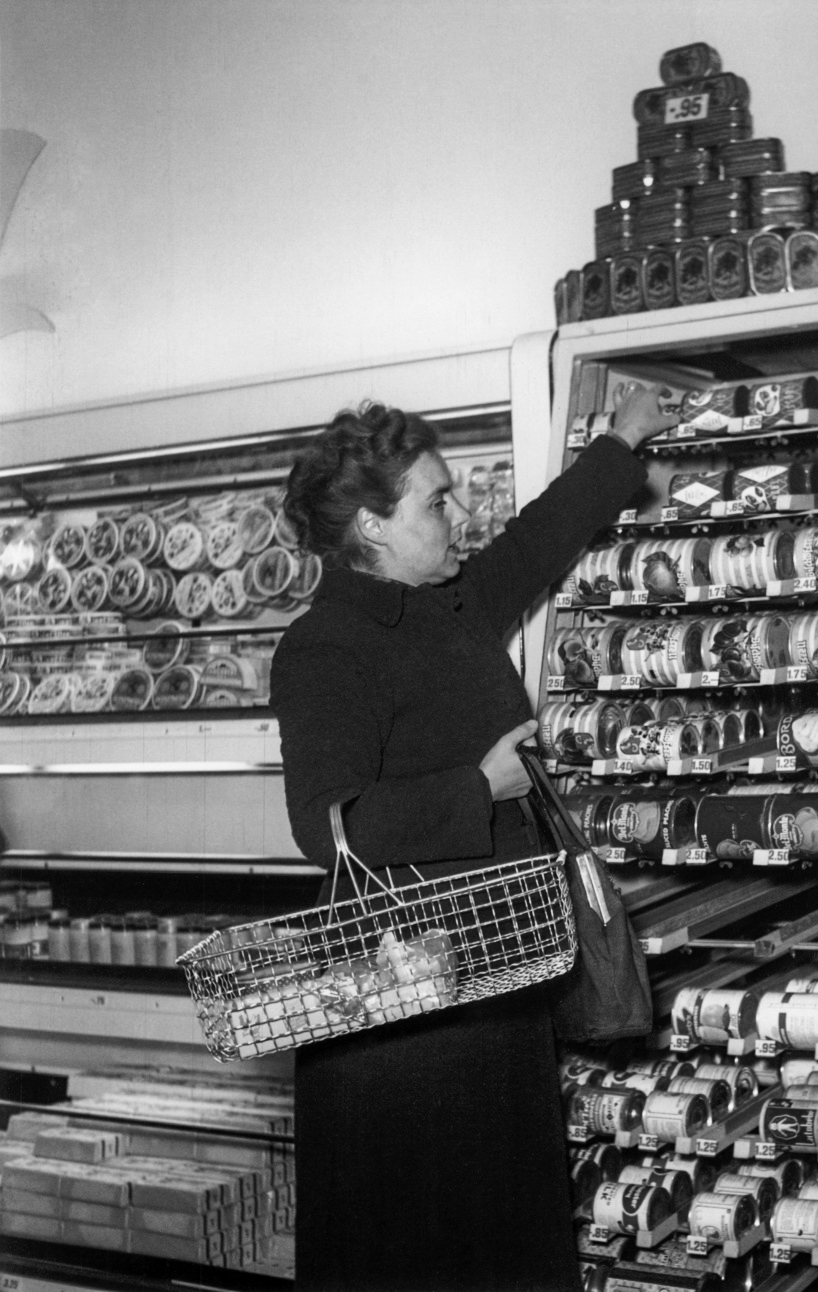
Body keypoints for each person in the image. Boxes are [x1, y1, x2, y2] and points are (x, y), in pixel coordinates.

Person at [271, 387, 674, 1291]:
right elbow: (324, 825)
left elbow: (536, 541)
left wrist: (620, 444)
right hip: (405, 1033)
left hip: (487, 991)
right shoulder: (325, 647)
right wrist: (476, 787)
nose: (460, 514)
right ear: (372, 527)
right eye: (436, 502)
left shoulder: (446, 603)